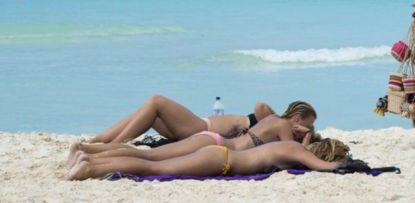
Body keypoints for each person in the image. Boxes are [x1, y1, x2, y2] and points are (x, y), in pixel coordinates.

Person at [68, 107, 317, 167]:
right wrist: (306, 139)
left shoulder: (273, 125)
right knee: (151, 158)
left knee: (151, 155)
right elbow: (293, 158)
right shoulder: (281, 124)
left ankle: (89, 150)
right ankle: (93, 150)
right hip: (210, 138)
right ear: (297, 119)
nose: (307, 129)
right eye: (308, 124)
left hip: (210, 138)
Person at [67, 138, 357, 180]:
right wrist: (351, 165)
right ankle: (89, 167)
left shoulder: (292, 145)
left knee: (151, 160)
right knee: (152, 166)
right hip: (222, 162)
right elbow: (327, 167)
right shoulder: (298, 152)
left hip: (220, 155)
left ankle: (88, 158)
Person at [88, 95, 290, 144]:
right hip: (195, 126)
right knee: (143, 115)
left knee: (156, 101)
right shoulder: (272, 125)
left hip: (198, 128)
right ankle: (96, 143)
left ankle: (113, 145)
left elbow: (260, 105)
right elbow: (260, 106)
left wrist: (284, 119)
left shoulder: (273, 123)